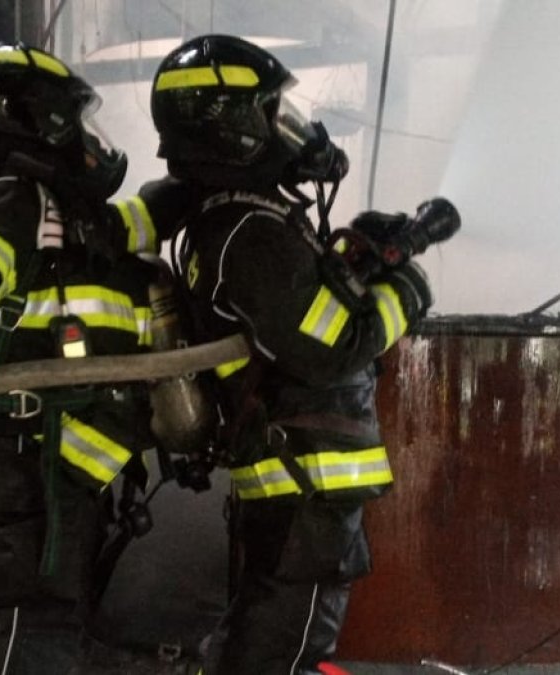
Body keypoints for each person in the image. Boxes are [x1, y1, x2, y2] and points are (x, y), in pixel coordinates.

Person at [149, 35, 441, 674]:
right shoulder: (249, 235)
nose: (293, 129)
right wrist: (410, 290)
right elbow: (332, 346)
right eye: (272, 111)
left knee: (270, 643)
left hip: (300, 484)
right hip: (307, 482)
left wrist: (358, 259)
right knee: (284, 655)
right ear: (233, 129)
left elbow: (293, 316)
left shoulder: (243, 224)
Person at [0, 42, 184, 675]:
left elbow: (129, 225)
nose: (86, 140)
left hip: (52, 483)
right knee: (12, 637)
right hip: (19, 481)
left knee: (40, 637)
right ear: (41, 120)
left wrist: (186, 188)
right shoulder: (9, 201)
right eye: (74, 121)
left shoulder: (63, 218)